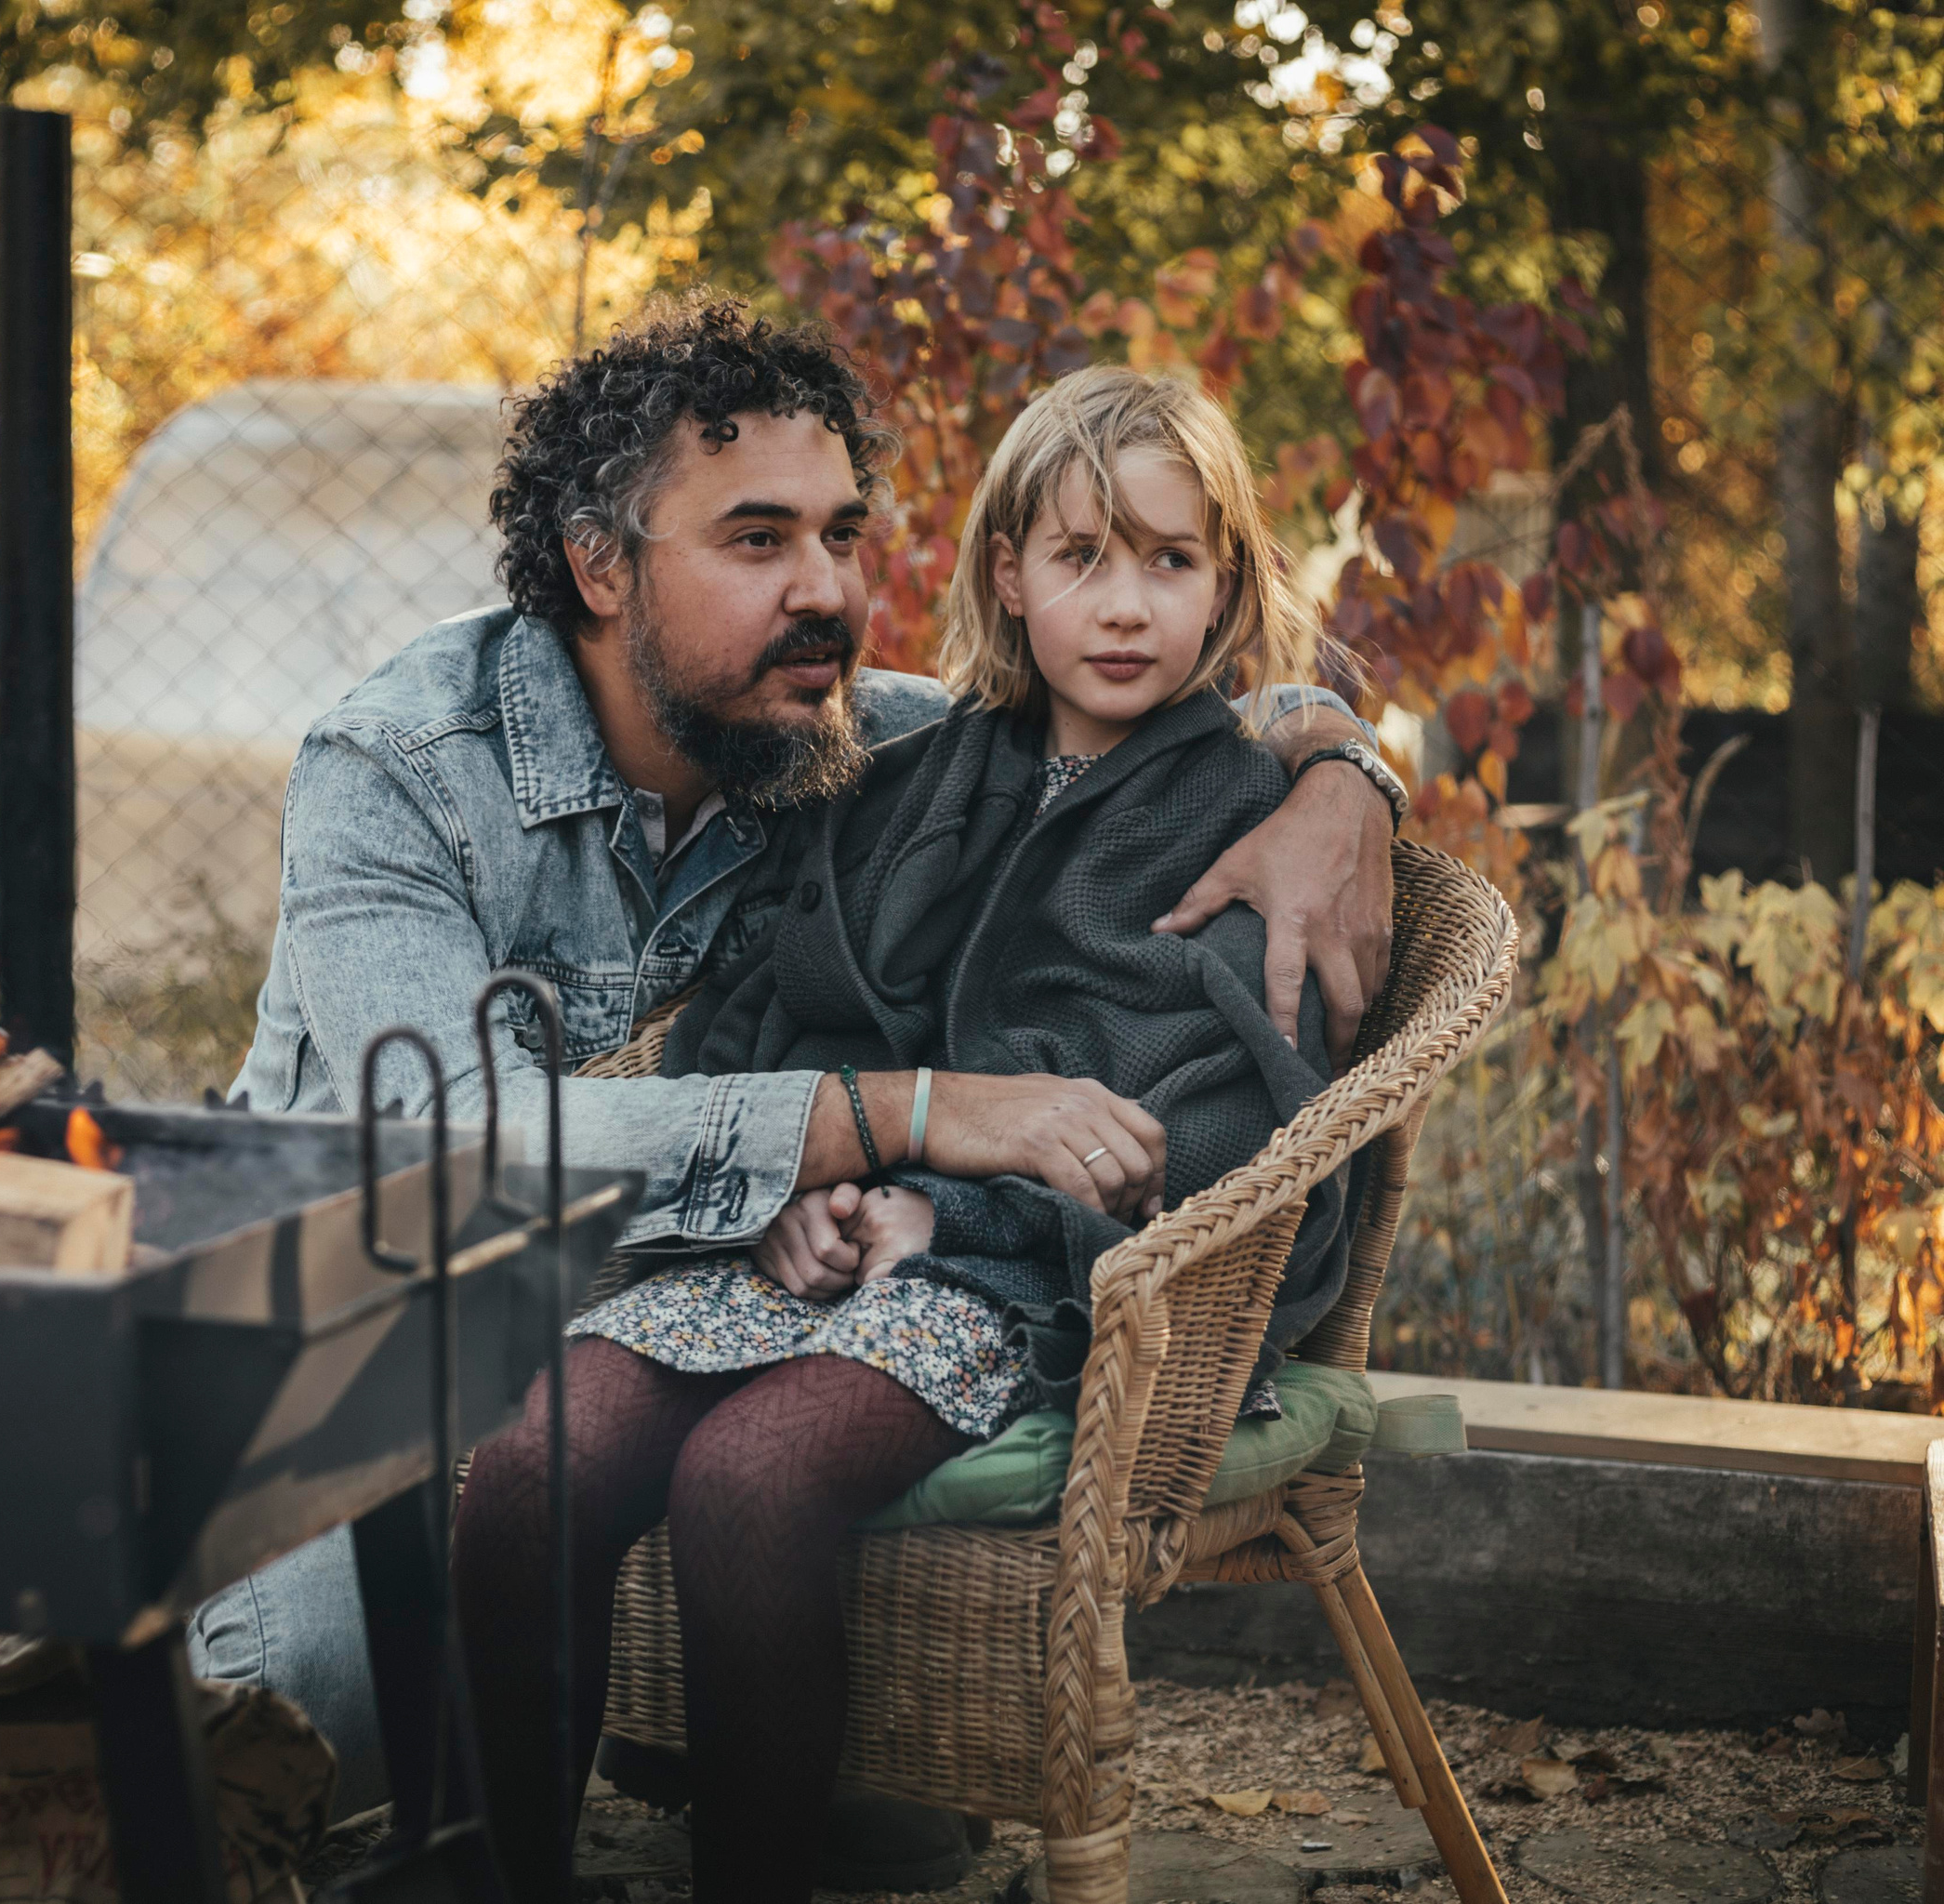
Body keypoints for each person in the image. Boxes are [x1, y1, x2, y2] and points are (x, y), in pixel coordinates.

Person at [191, 300, 1407, 1853]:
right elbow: (490, 1136)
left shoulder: (847, 738)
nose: (825, 591)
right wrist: (835, 1157)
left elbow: (1236, 767)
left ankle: (749, 1798)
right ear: (601, 563)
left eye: (840, 535)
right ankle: (483, 1853)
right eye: (758, 539)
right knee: (314, 1706)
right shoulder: (403, 772)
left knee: (742, 1486)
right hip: (363, 1311)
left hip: (966, 1278)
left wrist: (1336, 767)